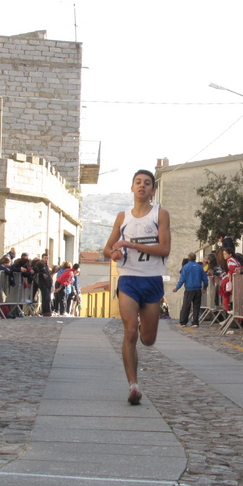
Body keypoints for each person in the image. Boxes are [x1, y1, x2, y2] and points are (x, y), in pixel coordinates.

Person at [103, 169, 170, 405]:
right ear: (132, 188)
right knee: (130, 330)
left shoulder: (160, 214)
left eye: (147, 183)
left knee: (148, 339)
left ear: (153, 190)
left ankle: (146, 326)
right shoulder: (122, 217)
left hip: (152, 280)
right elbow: (107, 248)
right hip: (129, 279)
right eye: (138, 182)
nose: (142, 186)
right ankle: (133, 385)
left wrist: (131, 244)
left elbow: (164, 249)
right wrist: (115, 253)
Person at [173, 256, 208, 327]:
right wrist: (205, 287)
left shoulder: (186, 267)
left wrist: (177, 288)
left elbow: (182, 279)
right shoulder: (199, 267)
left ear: (189, 258)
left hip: (189, 289)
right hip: (198, 289)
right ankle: (195, 322)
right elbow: (205, 278)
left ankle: (183, 321)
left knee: (186, 305)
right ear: (195, 258)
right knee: (196, 306)